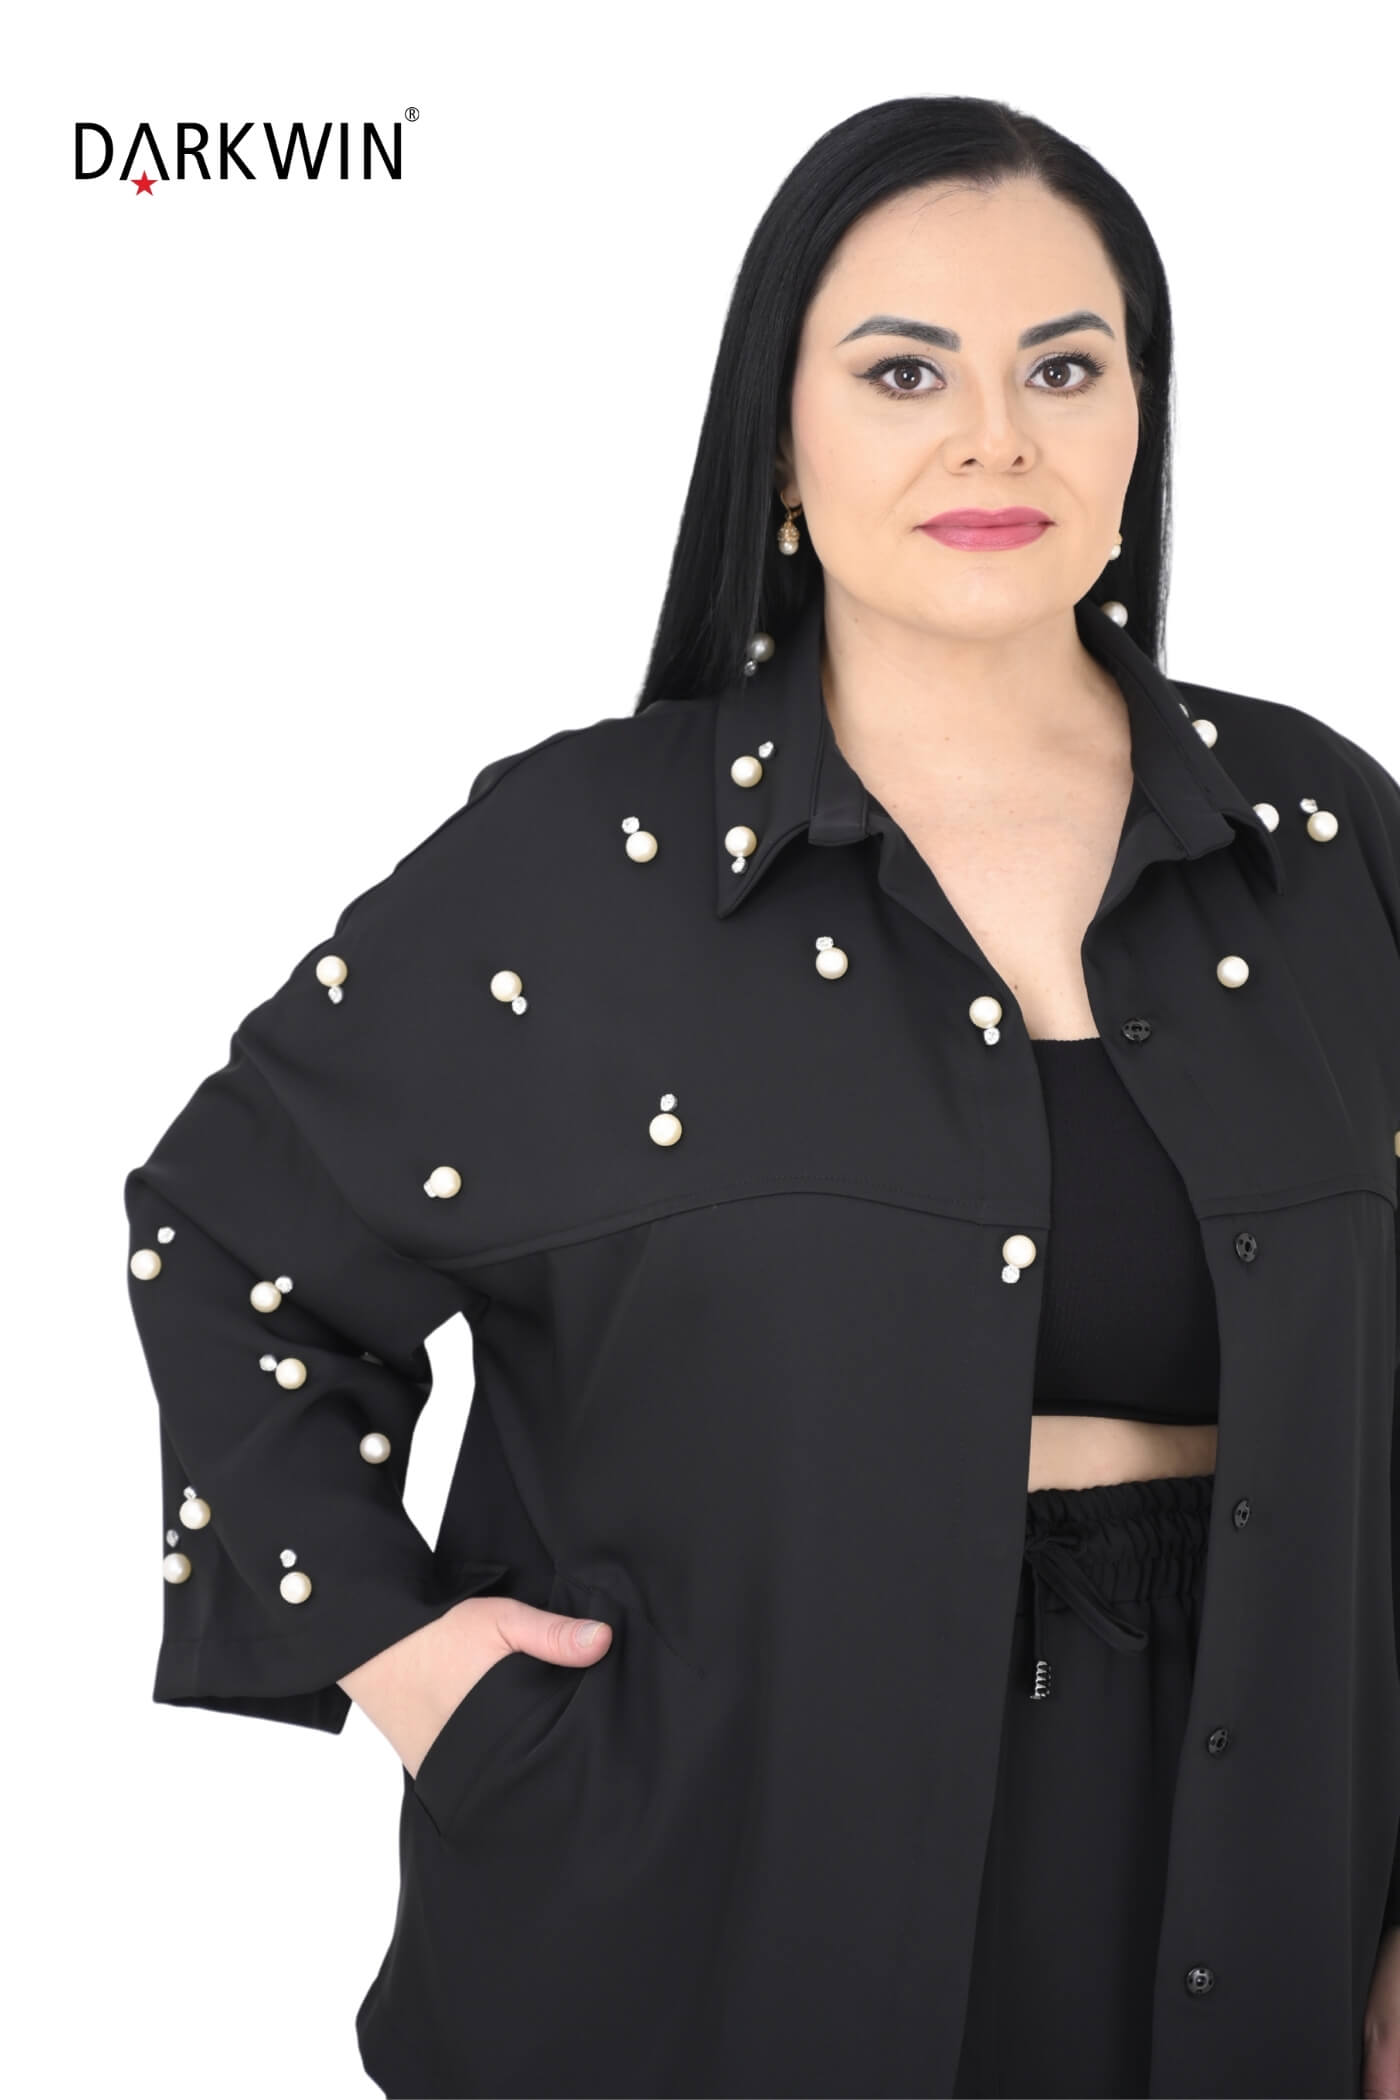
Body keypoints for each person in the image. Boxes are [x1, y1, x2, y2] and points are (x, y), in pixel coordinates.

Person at [123, 94, 1400, 2099]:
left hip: (1256, 1869)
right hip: (710, 1886)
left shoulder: (1324, 844)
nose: (995, 436)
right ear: (779, 443)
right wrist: (411, 1664)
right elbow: (224, 1241)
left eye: (1064, 367)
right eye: (904, 372)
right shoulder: (578, 864)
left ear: (1138, 422)